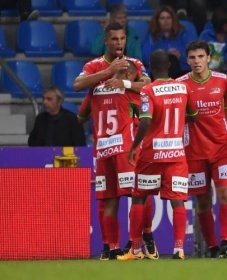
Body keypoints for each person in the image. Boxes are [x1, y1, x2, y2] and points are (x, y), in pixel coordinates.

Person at [73, 22, 152, 260]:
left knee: (136, 194)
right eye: (114, 39)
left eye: (122, 39)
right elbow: (77, 85)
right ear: (105, 41)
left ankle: (140, 242)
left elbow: (148, 85)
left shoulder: (134, 64)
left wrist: (125, 83)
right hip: (104, 147)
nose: (119, 43)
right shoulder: (93, 66)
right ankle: (112, 248)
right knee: (109, 200)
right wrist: (108, 72)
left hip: (125, 145)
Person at [118, 49, 198, 261]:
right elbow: (194, 115)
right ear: (169, 66)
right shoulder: (184, 88)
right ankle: (179, 249)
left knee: (139, 198)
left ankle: (135, 249)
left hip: (152, 154)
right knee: (178, 201)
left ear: (151, 68)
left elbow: (144, 121)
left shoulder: (148, 90)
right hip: (177, 154)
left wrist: (135, 146)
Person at [176, 40, 227, 258]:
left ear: (208, 58)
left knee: (225, 194)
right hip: (193, 150)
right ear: (187, 60)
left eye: (201, 57)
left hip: (222, 147)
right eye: (192, 58)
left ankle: (225, 242)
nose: (197, 61)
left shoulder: (222, 80)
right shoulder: (180, 85)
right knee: (202, 201)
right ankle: (213, 248)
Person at [141, 6, 192, 79]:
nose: (166, 21)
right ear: (157, 21)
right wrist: (164, 55)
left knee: (173, 60)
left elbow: (192, 58)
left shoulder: (182, 35)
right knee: (170, 58)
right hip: (157, 75)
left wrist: (180, 57)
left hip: (181, 73)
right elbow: (146, 59)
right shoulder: (151, 37)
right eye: (162, 18)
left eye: (168, 18)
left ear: (173, 20)